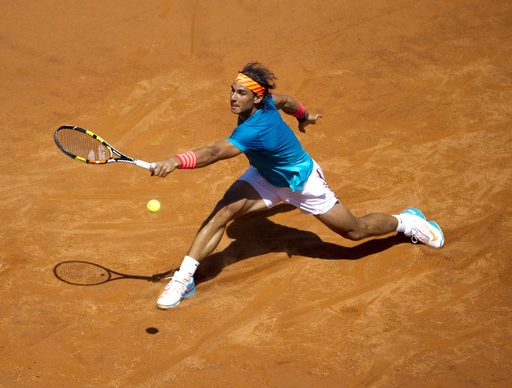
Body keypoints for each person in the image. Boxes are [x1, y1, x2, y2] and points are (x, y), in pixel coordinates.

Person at [150, 62, 444, 310]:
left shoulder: (254, 127)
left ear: (255, 98)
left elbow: (214, 153)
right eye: (232, 90)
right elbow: (288, 101)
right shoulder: (267, 101)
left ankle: (407, 222)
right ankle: (184, 278)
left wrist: (176, 160)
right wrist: (305, 117)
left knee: (355, 232)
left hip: (302, 184)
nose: (233, 98)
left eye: (241, 93)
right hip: (264, 177)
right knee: (221, 215)